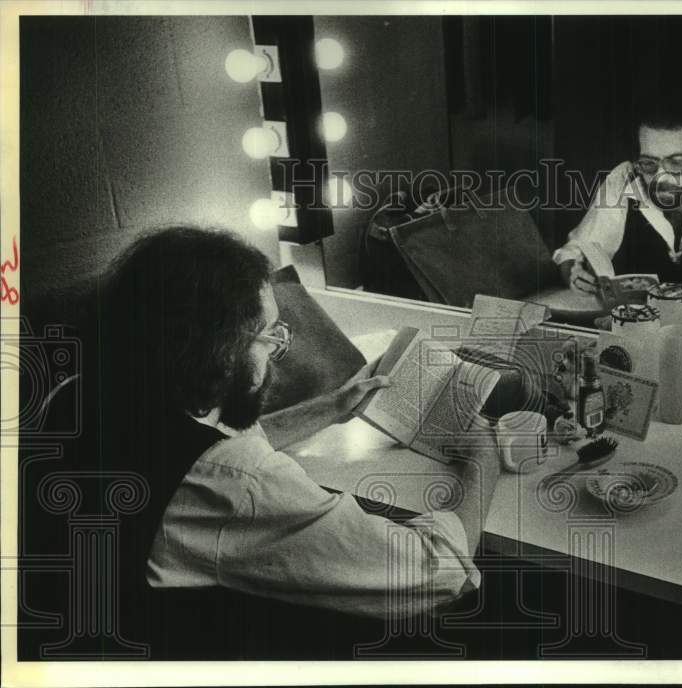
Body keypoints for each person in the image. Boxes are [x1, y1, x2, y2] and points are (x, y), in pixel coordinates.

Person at [88, 227, 501, 649]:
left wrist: (335, 406)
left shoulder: (96, 393)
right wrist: (483, 454)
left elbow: (210, 448)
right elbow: (434, 567)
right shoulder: (239, 482)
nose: (275, 356)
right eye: (268, 337)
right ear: (217, 352)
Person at [553, 100, 682, 308]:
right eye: (649, 163)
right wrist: (575, 273)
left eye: (676, 162)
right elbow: (573, 252)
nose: (661, 177)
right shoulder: (625, 179)